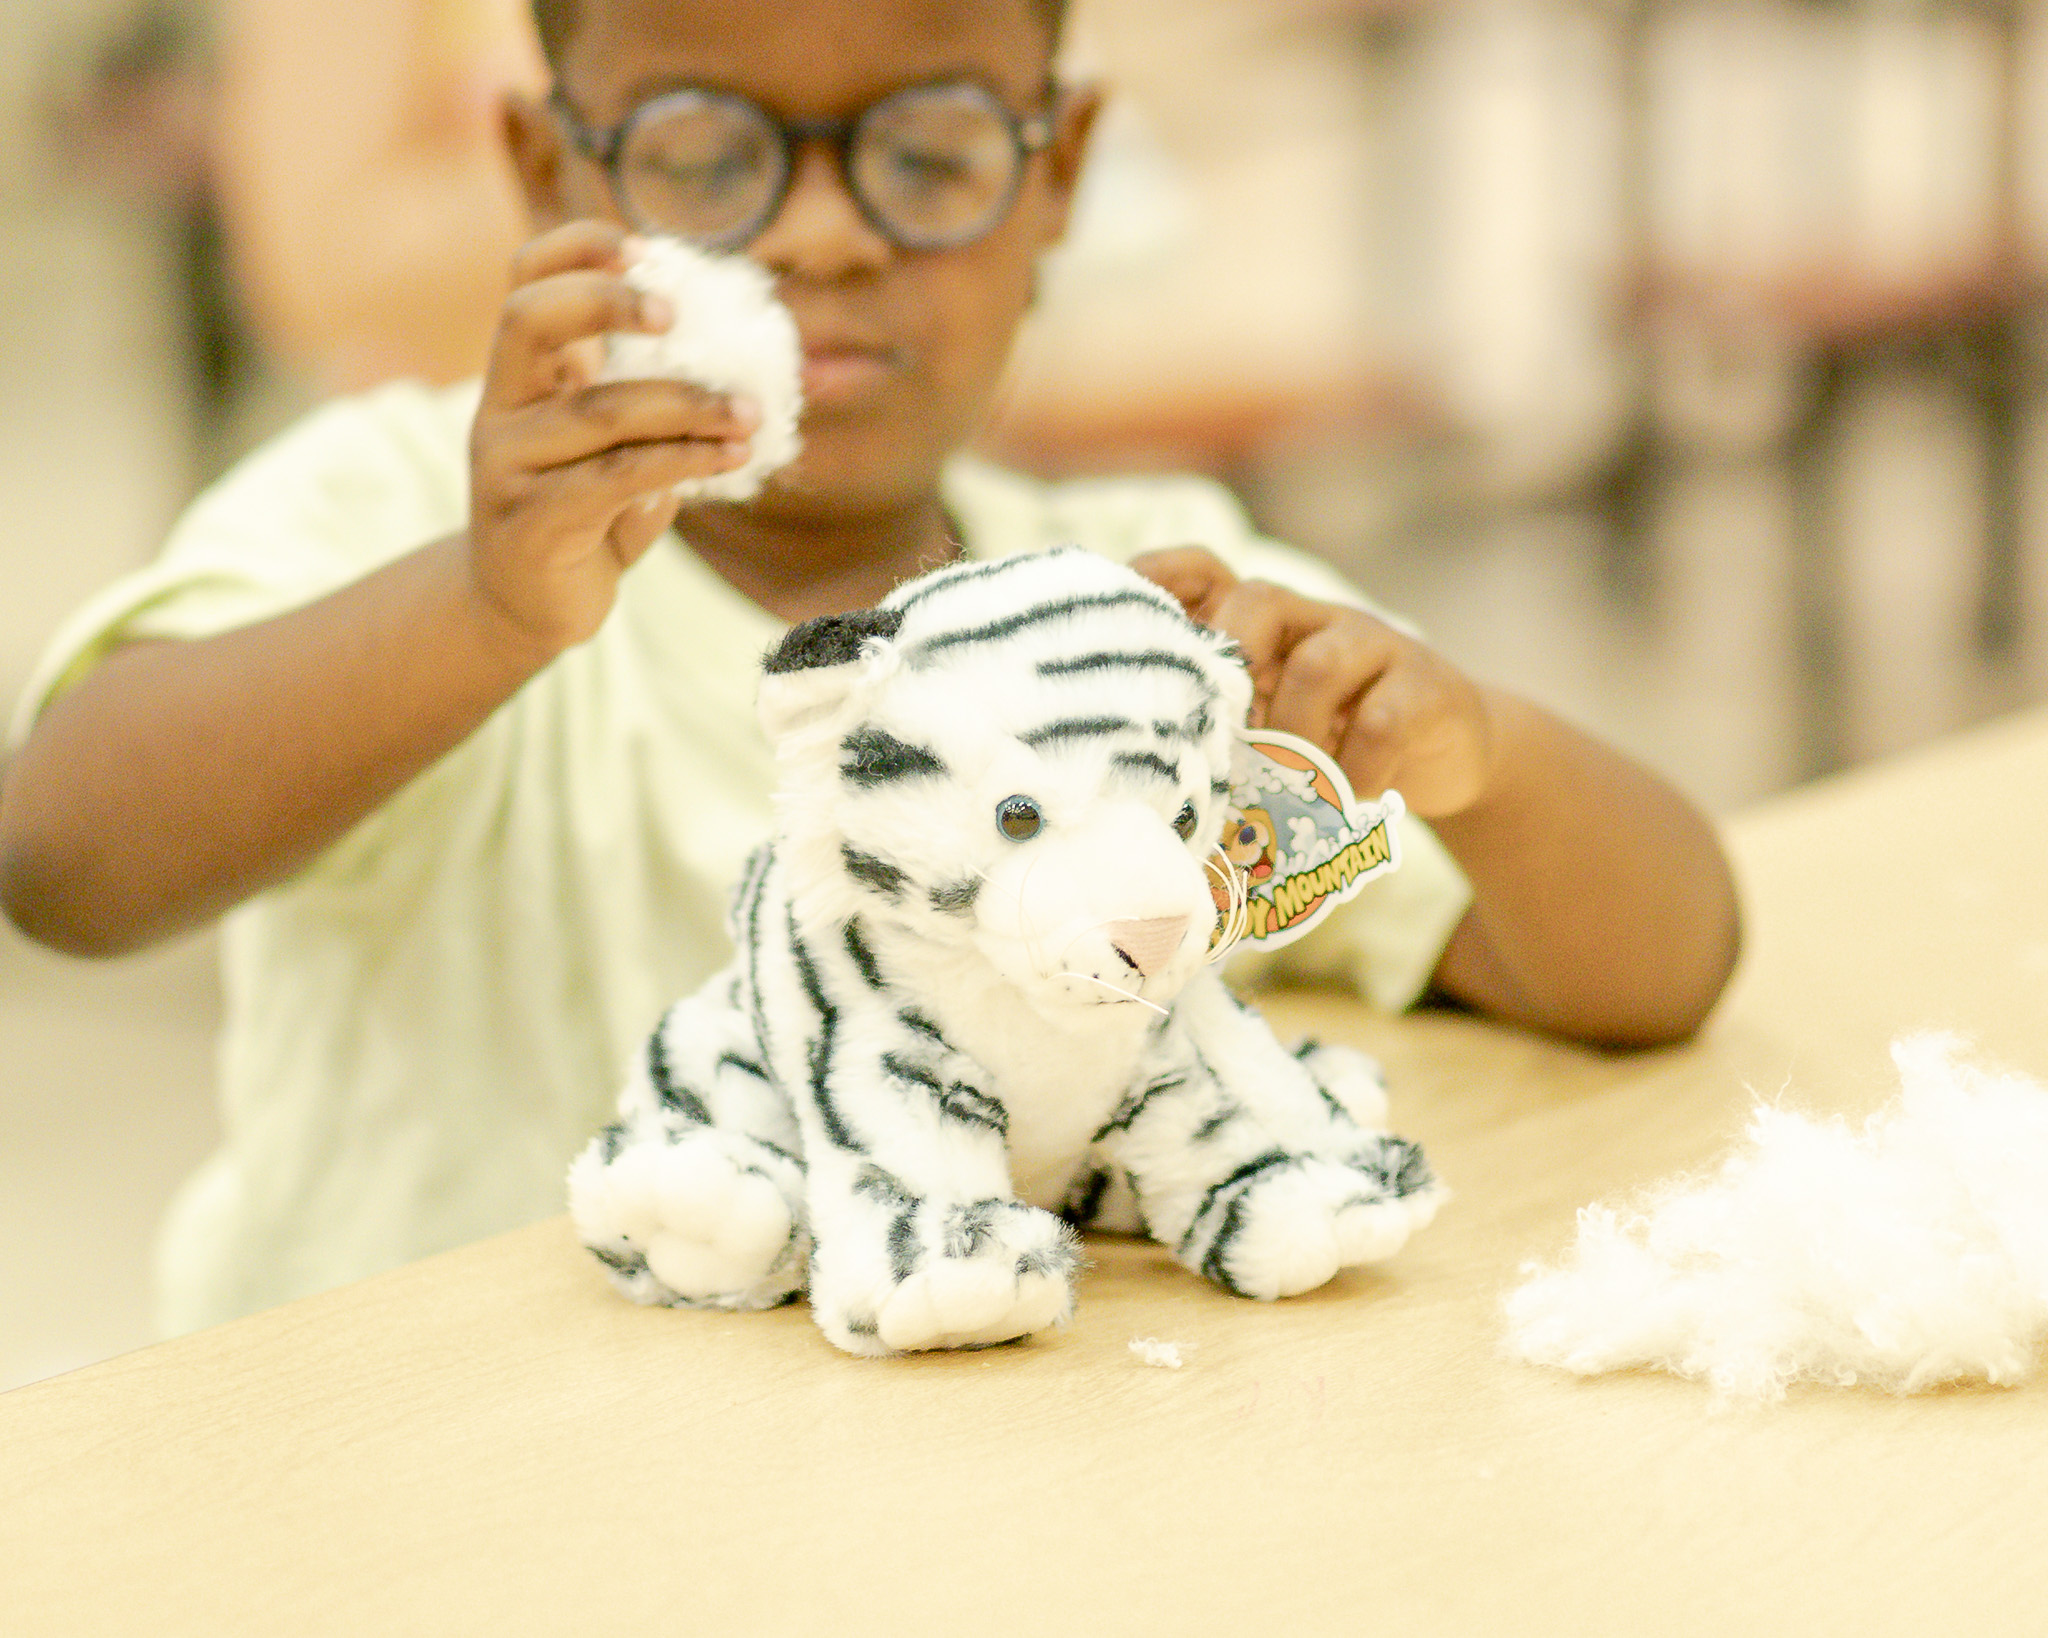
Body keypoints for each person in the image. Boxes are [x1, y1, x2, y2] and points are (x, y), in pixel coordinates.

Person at [0, 0, 1740, 1335]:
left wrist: (1476, 759)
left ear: (1056, 176)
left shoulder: (1148, 616)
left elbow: (1658, 964)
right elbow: (69, 858)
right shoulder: (404, 517)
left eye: (926, 153)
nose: (824, 235)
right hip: (426, 1497)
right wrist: (482, 607)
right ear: (552, 176)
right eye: (704, 152)